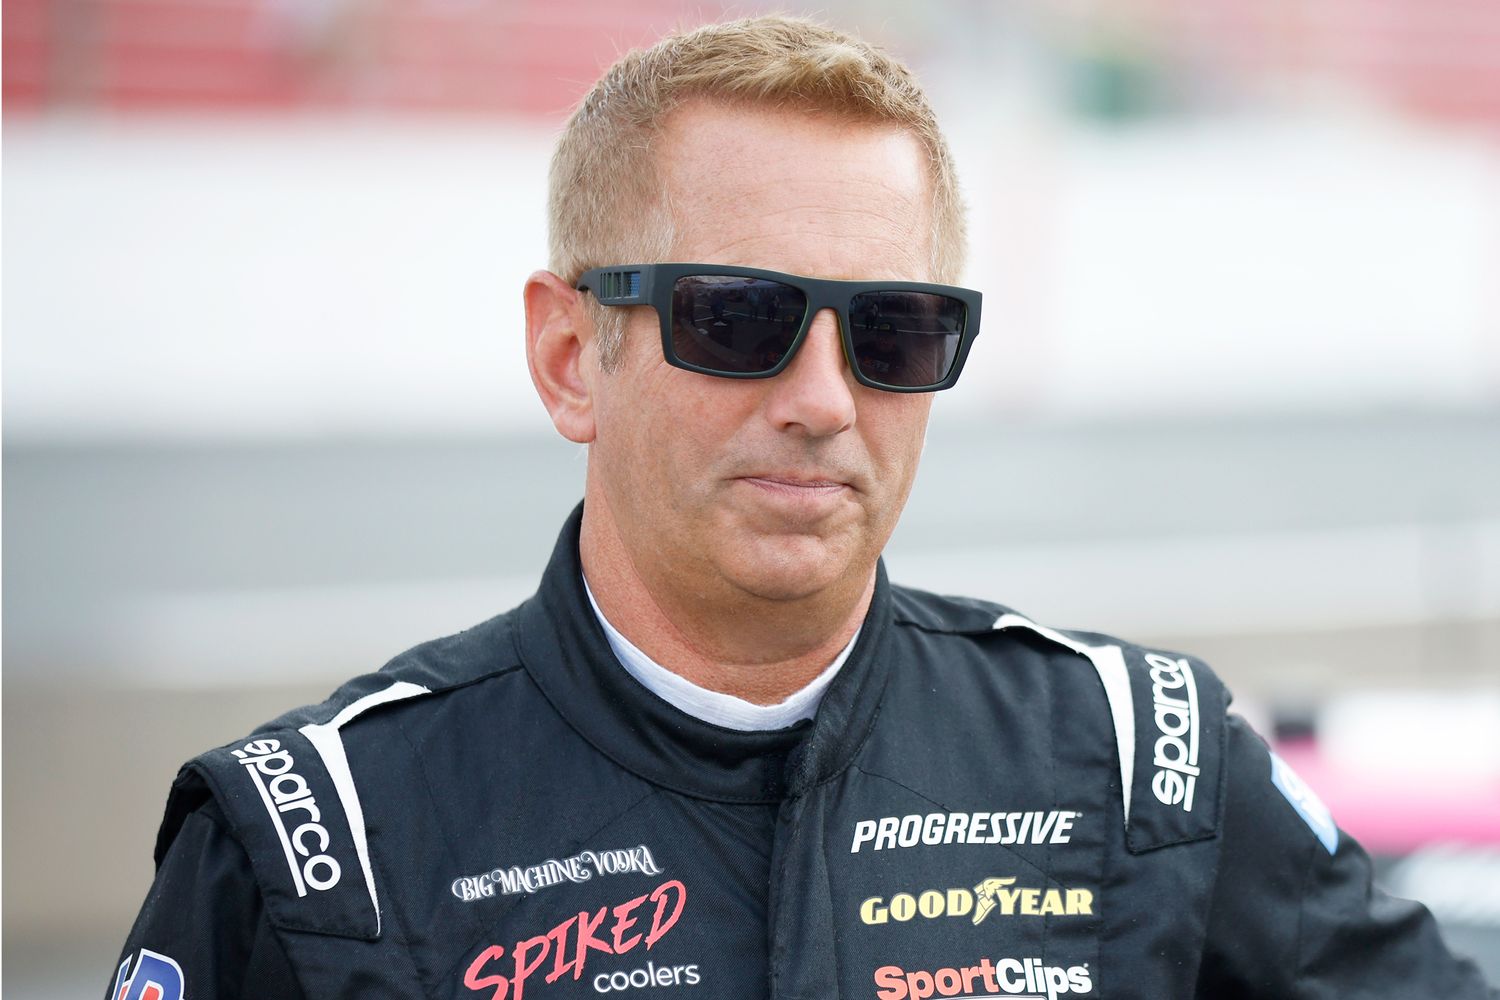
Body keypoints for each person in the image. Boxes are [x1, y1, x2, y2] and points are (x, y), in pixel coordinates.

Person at [109, 16, 1495, 1000]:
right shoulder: (317, 848)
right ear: (570, 355)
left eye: (895, 330)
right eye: (739, 318)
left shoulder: (1147, 769)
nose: (825, 399)